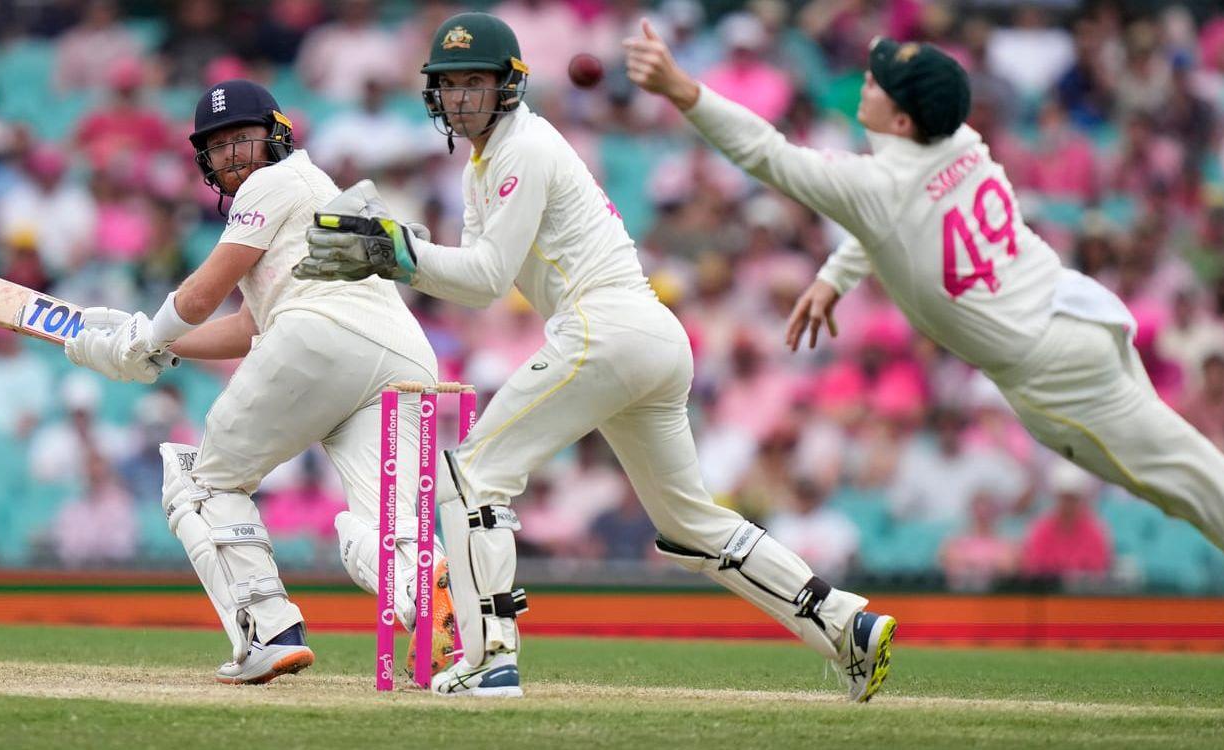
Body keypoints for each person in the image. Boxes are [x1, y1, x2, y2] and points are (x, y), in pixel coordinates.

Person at [625, 23, 1224, 699]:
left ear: (905, 120)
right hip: (1075, 310)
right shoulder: (958, 140)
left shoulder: (880, 185)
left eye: (878, 84)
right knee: (1179, 478)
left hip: (1051, 364)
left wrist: (682, 89)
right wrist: (834, 276)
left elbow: (769, 155)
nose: (865, 86)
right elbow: (883, 221)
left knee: (1183, 478)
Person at [292, 11, 896, 702]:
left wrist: (393, 252)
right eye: (449, 84)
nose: (460, 97)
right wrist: (394, 249)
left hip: (603, 328)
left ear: (507, 87)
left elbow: (487, 278)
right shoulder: (483, 165)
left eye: (474, 83)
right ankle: (846, 622)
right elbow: (468, 277)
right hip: (647, 338)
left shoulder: (523, 147)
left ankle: (490, 657)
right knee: (690, 523)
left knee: (473, 477)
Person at [63, 79, 452, 685]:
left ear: (275, 135)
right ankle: (444, 621)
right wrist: (162, 347)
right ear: (204, 162)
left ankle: (268, 631)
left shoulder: (275, 183)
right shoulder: (312, 188)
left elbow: (199, 294)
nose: (232, 157)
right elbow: (248, 325)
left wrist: (141, 340)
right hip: (399, 358)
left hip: (319, 339)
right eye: (217, 149)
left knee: (199, 481)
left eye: (241, 139)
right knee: (387, 527)